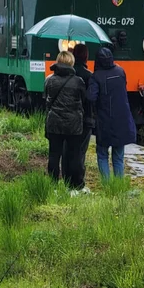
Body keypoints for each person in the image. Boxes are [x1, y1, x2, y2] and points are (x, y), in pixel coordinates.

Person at [87, 47, 136, 179]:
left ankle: (106, 183)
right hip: (122, 118)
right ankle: (118, 183)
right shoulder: (120, 71)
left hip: (105, 120)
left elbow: (91, 97)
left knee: (102, 153)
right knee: (118, 155)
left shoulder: (96, 76)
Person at [44, 50, 86, 191]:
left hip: (54, 123)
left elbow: (46, 100)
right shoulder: (78, 81)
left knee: (54, 155)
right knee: (75, 156)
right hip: (73, 125)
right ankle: (75, 186)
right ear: (71, 63)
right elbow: (84, 100)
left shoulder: (49, 80)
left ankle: (53, 186)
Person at [63, 43, 95, 188]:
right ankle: (78, 183)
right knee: (79, 151)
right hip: (83, 119)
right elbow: (90, 99)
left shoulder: (62, 75)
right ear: (86, 56)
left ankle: (66, 180)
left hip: (65, 118)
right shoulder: (88, 76)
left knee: (66, 150)